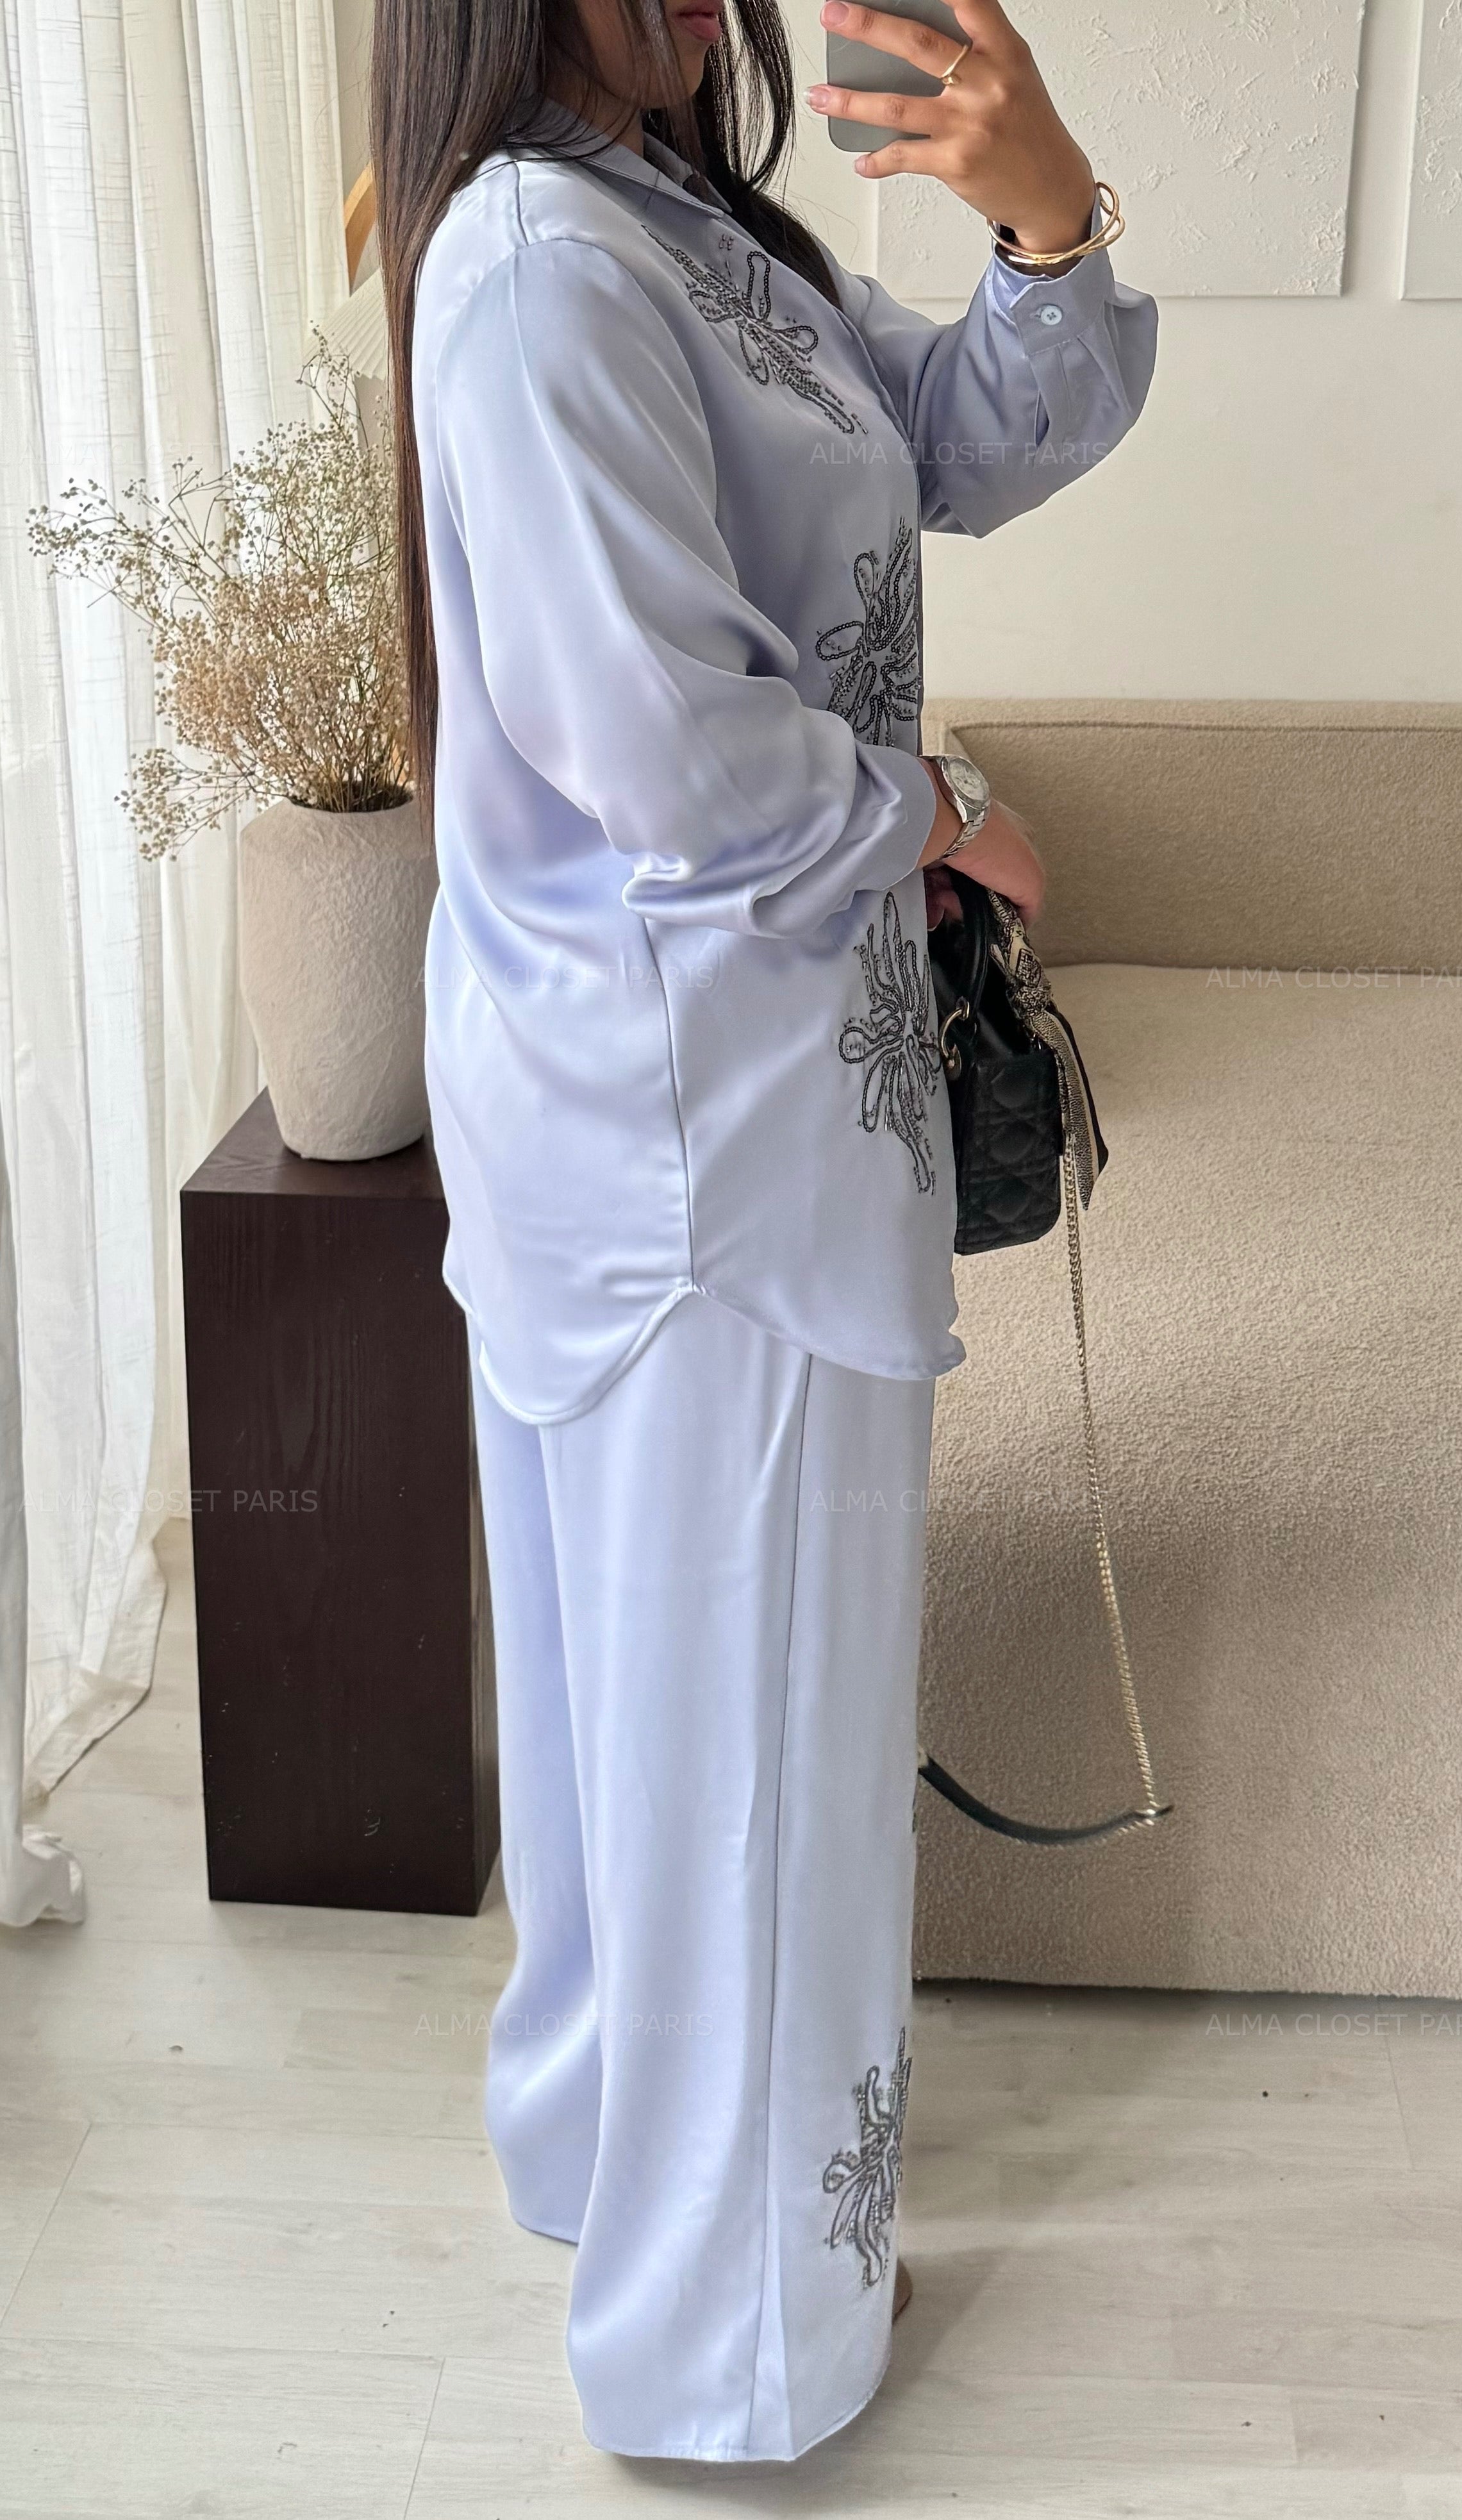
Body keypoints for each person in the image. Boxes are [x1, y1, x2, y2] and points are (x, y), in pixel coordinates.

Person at [372, 0, 1155, 2462]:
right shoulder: (537, 270)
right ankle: (732, 2349)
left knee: (647, 1733)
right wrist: (941, 808)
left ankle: (609, 2170)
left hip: (665, 1107)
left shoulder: (679, 235)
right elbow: (667, 746)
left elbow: (970, 436)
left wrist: (1046, 214)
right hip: (705, 1138)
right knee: (756, 1756)